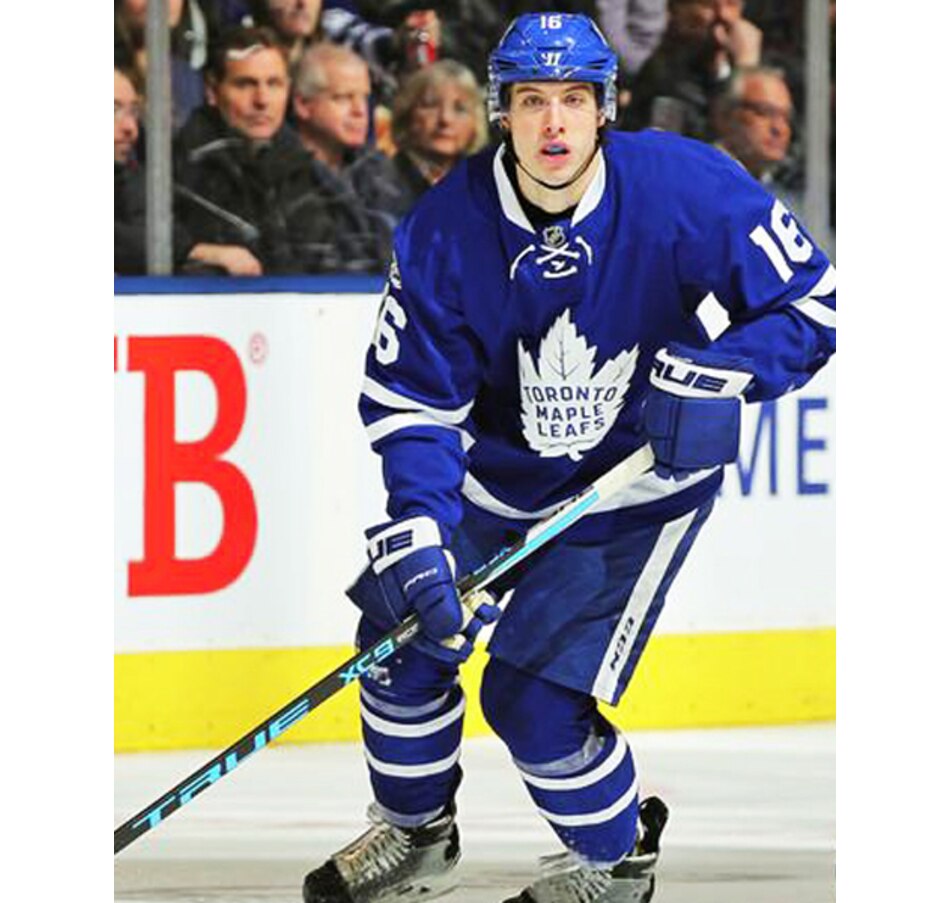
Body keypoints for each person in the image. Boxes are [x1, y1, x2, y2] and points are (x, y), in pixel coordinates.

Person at [302, 11, 835, 903]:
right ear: (501, 112)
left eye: (574, 100)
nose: (554, 123)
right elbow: (415, 402)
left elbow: (812, 304)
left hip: (631, 489)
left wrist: (725, 374)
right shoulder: (445, 229)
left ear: (605, 108)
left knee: (533, 701)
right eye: (533, 101)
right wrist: (421, 526)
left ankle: (616, 860)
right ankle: (415, 832)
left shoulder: (682, 187)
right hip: (497, 482)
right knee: (397, 639)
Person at [174, 25, 382, 274]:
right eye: (245, 84)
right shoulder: (176, 168)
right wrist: (192, 251)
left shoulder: (304, 168)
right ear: (212, 90)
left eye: (274, 84)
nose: (262, 100)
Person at [292, 41, 401, 262]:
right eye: (343, 97)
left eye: (364, 97)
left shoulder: (379, 169)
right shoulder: (281, 175)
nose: (360, 111)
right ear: (303, 105)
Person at [621, 0, 763, 138]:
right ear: (676, 11)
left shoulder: (755, 63)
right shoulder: (663, 77)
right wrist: (746, 68)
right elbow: (711, 140)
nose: (723, 15)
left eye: (731, 4)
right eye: (708, 5)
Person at [381, 59, 488, 219]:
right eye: (431, 105)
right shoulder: (378, 183)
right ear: (407, 114)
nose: (445, 119)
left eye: (460, 109)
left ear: (476, 122)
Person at [711, 64, 796, 184]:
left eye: (786, 117)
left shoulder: (783, 189)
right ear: (725, 115)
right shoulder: (697, 176)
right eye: (765, 111)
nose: (779, 128)